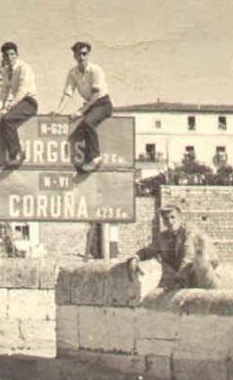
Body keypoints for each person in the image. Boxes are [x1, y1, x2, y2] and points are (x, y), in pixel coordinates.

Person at [126, 205, 219, 290]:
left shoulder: (189, 232)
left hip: (199, 276)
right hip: (179, 278)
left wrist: (179, 280)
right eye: (166, 219)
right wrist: (135, 258)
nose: (170, 222)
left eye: (173, 217)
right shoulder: (162, 237)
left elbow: (188, 257)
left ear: (180, 218)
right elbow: (148, 250)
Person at [56, 41, 113, 173]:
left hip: (102, 104)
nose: (81, 57)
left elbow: (96, 95)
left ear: (88, 54)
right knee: (77, 133)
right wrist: (59, 111)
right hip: (90, 106)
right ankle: (85, 163)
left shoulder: (95, 70)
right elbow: (67, 93)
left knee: (87, 123)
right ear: (74, 56)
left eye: (84, 54)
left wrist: (81, 111)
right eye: (78, 54)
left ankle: (96, 158)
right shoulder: (73, 73)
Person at [0, 41, 38, 168]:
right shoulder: (6, 71)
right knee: (2, 119)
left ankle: (17, 153)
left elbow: (22, 90)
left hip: (29, 102)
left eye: (12, 54)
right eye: (6, 55)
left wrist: (8, 107)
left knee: (8, 119)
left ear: (17, 55)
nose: (10, 58)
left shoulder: (24, 68)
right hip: (17, 103)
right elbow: (4, 90)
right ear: (3, 57)